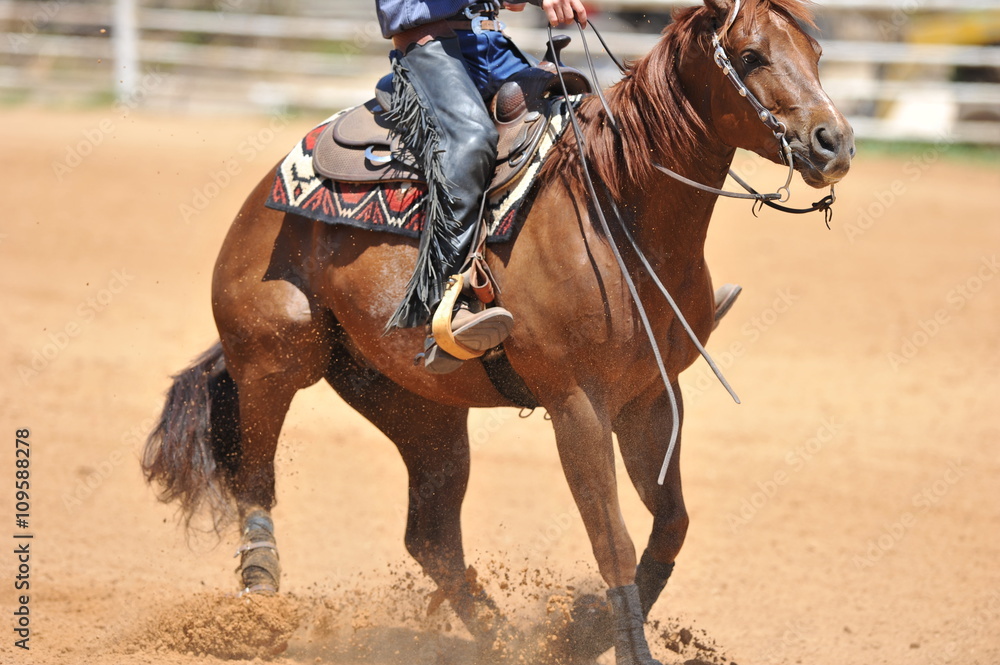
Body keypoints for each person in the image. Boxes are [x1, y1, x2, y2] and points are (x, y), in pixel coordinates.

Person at [377, 0, 587, 374]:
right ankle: (446, 304)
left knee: (579, 116)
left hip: (492, 44)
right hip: (429, 46)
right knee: (471, 141)